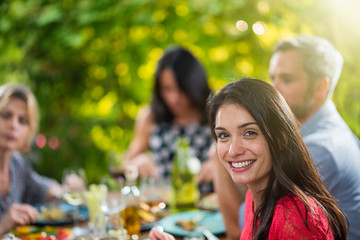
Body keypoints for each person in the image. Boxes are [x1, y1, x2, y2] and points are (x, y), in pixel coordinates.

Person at [150, 78, 348, 240]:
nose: (233, 150)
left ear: (280, 139)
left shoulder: (293, 219)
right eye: (223, 135)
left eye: (249, 133)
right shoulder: (255, 196)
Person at [216, 34, 360, 240]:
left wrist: (217, 160)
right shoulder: (331, 131)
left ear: (321, 87)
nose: (274, 88)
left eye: (287, 79)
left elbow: (243, 227)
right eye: (273, 77)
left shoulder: (320, 149)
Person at [123, 46, 214, 187]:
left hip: (209, 206)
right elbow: (126, 165)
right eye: (167, 89)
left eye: (181, 89)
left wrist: (221, 168)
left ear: (194, 85)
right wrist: (137, 163)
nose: (174, 98)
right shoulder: (149, 117)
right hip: (162, 205)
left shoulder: (215, 115)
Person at [0, 83, 63, 235]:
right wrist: (3, 226)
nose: (13, 125)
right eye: (6, 116)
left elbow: (41, 187)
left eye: (22, 121)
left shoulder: (17, 163)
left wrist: (62, 191)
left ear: (29, 131)